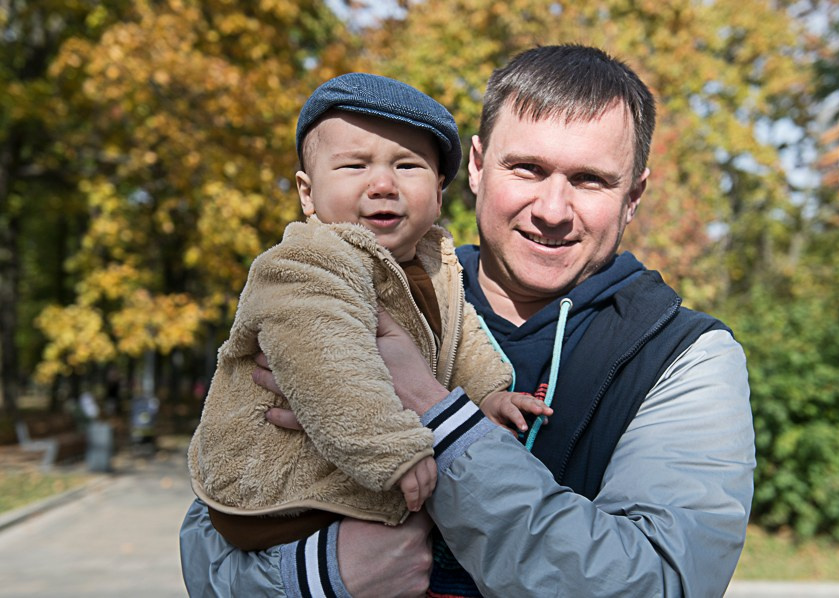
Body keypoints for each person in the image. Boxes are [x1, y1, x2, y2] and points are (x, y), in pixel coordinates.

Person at [180, 45, 755, 597]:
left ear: (634, 194)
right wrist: (318, 576)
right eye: (526, 169)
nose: (553, 211)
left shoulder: (684, 357)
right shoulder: (351, 289)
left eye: (589, 180)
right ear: (477, 167)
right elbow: (216, 519)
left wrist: (436, 412)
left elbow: (656, 583)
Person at [186, 73, 547, 553]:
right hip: (282, 492)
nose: (382, 184)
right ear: (307, 192)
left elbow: (462, 339)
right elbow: (328, 364)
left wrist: (486, 395)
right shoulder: (309, 261)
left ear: (439, 193)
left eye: (407, 165)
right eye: (354, 165)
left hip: (355, 484)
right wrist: (391, 446)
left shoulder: (435, 263)